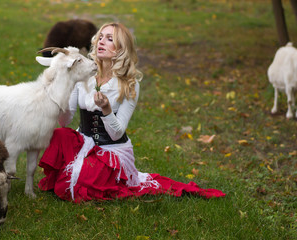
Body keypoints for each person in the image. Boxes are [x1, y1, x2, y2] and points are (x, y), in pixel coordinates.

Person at [38, 22, 225, 202]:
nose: (101, 41)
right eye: (100, 37)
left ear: (120, 49)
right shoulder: (83, 74)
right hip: (84, 142)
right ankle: (81, 168)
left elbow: (116, 132)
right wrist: (61, 94)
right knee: (58, 134)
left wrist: (106, 110)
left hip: (110, 150)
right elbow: (65, 121)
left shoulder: (129, 84)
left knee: (74, 184)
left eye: (109, 39)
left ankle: (91, 172)